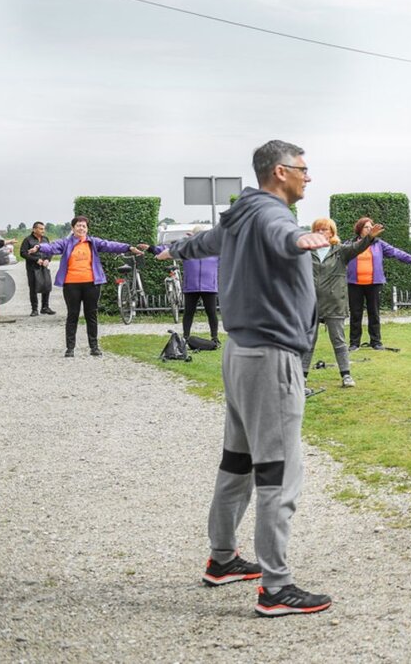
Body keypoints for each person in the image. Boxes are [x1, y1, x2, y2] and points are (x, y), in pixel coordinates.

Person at [161, 140, 334, 616]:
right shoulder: (272, 216)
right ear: (280, 172)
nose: (308, 176)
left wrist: (171, 249)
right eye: (303, 169)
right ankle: (276, 588)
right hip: (270, 359)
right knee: (277, 471)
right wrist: (303, 240)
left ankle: (222, 559)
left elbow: (200, 245)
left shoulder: (237, 216)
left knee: (236, 462)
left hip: (239, 354)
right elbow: (284, 236)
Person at [29, 217, 146, 357]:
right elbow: (53, 246)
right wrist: (39, 247)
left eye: (84, 226)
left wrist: (128, 247)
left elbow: (110, 245)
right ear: (72, 228)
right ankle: (70, 348)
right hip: (71, 284)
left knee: (91, 315)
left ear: (87, 229)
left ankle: (94, 347)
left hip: (92, 284)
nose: (81, 228)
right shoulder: (66, 243)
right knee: (73, 315)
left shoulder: (93, 242)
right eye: (78, 226)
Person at [304, 218, 379, 391]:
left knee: (338, 341)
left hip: (334, 303)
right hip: (310, 304)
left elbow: (358, 247)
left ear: (331, 232)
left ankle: (346, 375)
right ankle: (302, 377)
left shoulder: (340, 251)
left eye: (325, 230)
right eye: (318, 230)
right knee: (308, 342)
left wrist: (369, 238)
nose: (321, 233)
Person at [346, 217, 411, 350]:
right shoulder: (350, 244)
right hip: (355, 284)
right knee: (356, 314)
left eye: (371, 227)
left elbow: (396, 252)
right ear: (359, 229)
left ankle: (376, 342)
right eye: (366, 227)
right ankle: (354, 343)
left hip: (373, 284)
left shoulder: (379, 244)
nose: (370, 229)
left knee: (374, 313)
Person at [179, 227, 221, 344]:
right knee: (189, 312)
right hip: (191, 286)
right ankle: (185, 337)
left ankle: (214, 337)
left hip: (209, 286)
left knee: (211, 312)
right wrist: (152, 249)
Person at [20, 222, 56, 316]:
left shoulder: (45, 239)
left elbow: (50, 251)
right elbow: (23, 253)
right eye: (40, 229)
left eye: (43, 229)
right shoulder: (27, 240)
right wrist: (36, 259)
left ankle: (45, 307)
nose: (43, 230)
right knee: (33, 288)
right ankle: (34, 309)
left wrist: (48, 259)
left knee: (46, 286)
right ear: (34, 229)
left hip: (44, 267)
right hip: (32, 268)